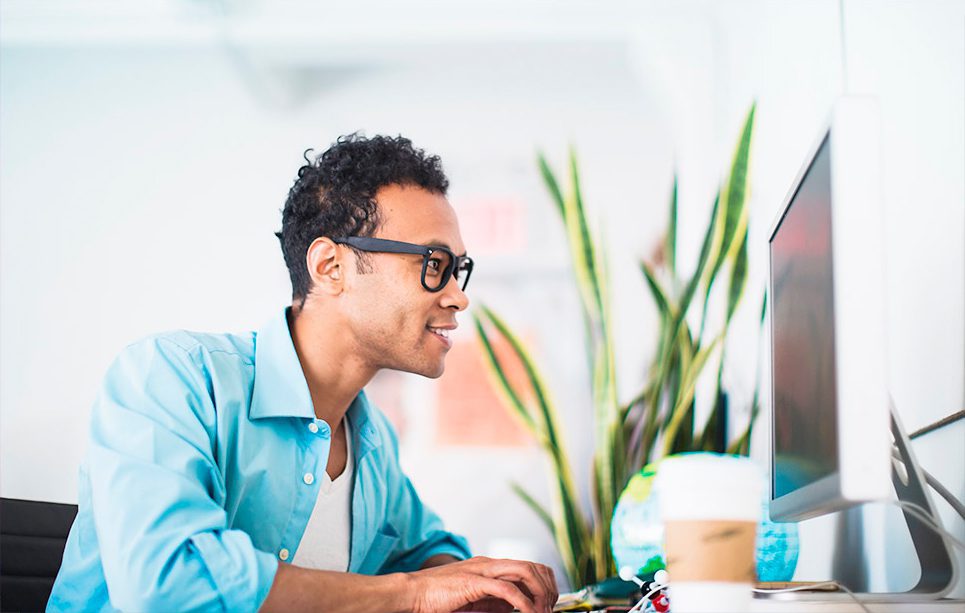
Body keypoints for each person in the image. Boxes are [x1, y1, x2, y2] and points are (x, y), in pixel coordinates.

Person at [48, 134, 558, 613]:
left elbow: (425, 551)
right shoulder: (174, 379)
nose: (458, 295)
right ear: (330, 266)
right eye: (433, 263)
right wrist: (412, 593)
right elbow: (170, 580)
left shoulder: (371, 438)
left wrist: (473, 588)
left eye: (457, 270)